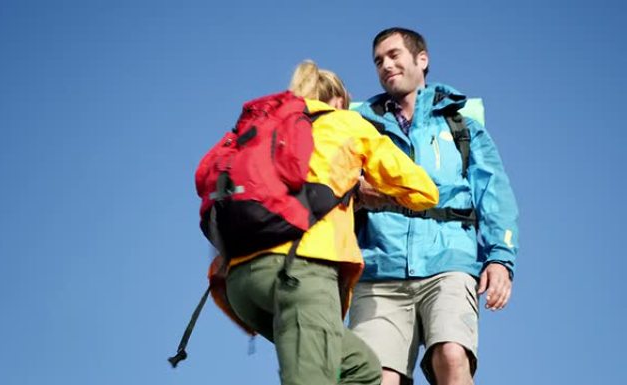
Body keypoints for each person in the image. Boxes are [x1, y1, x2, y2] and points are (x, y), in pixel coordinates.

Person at [207, 60, 440, 385]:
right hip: (300, 274)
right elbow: (424, 190)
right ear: (337, 101)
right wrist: (366, 187)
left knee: (361, 369)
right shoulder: (344, 123)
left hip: (241, 283)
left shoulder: (263, 126)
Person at [349, 28, 519, 385]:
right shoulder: (360, 128)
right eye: (379, 60)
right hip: (380, 269)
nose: (386, 65)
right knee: (376, 379)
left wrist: (500, 258)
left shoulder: (460, 126)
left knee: (452, 355)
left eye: (394, 55)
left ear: (421, 60)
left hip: (448, 263)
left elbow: (494, 194)